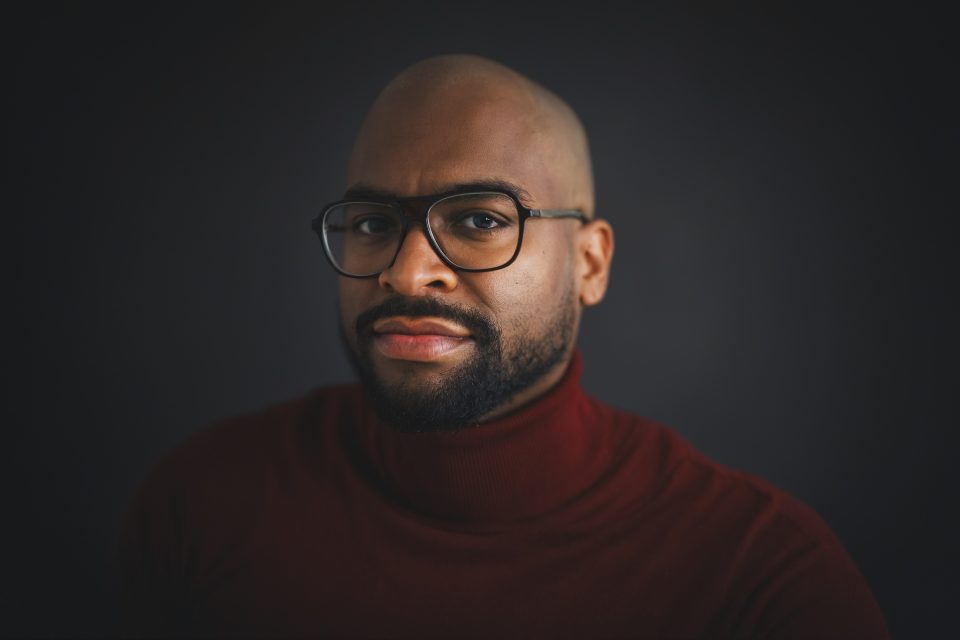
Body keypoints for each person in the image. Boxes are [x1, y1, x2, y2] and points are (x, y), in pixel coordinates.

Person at [118, 54, 889, 638]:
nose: (407, 270)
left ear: (589, 263)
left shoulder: (760, 574)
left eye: (481, 220)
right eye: (372, 222)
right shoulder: (204, 502)